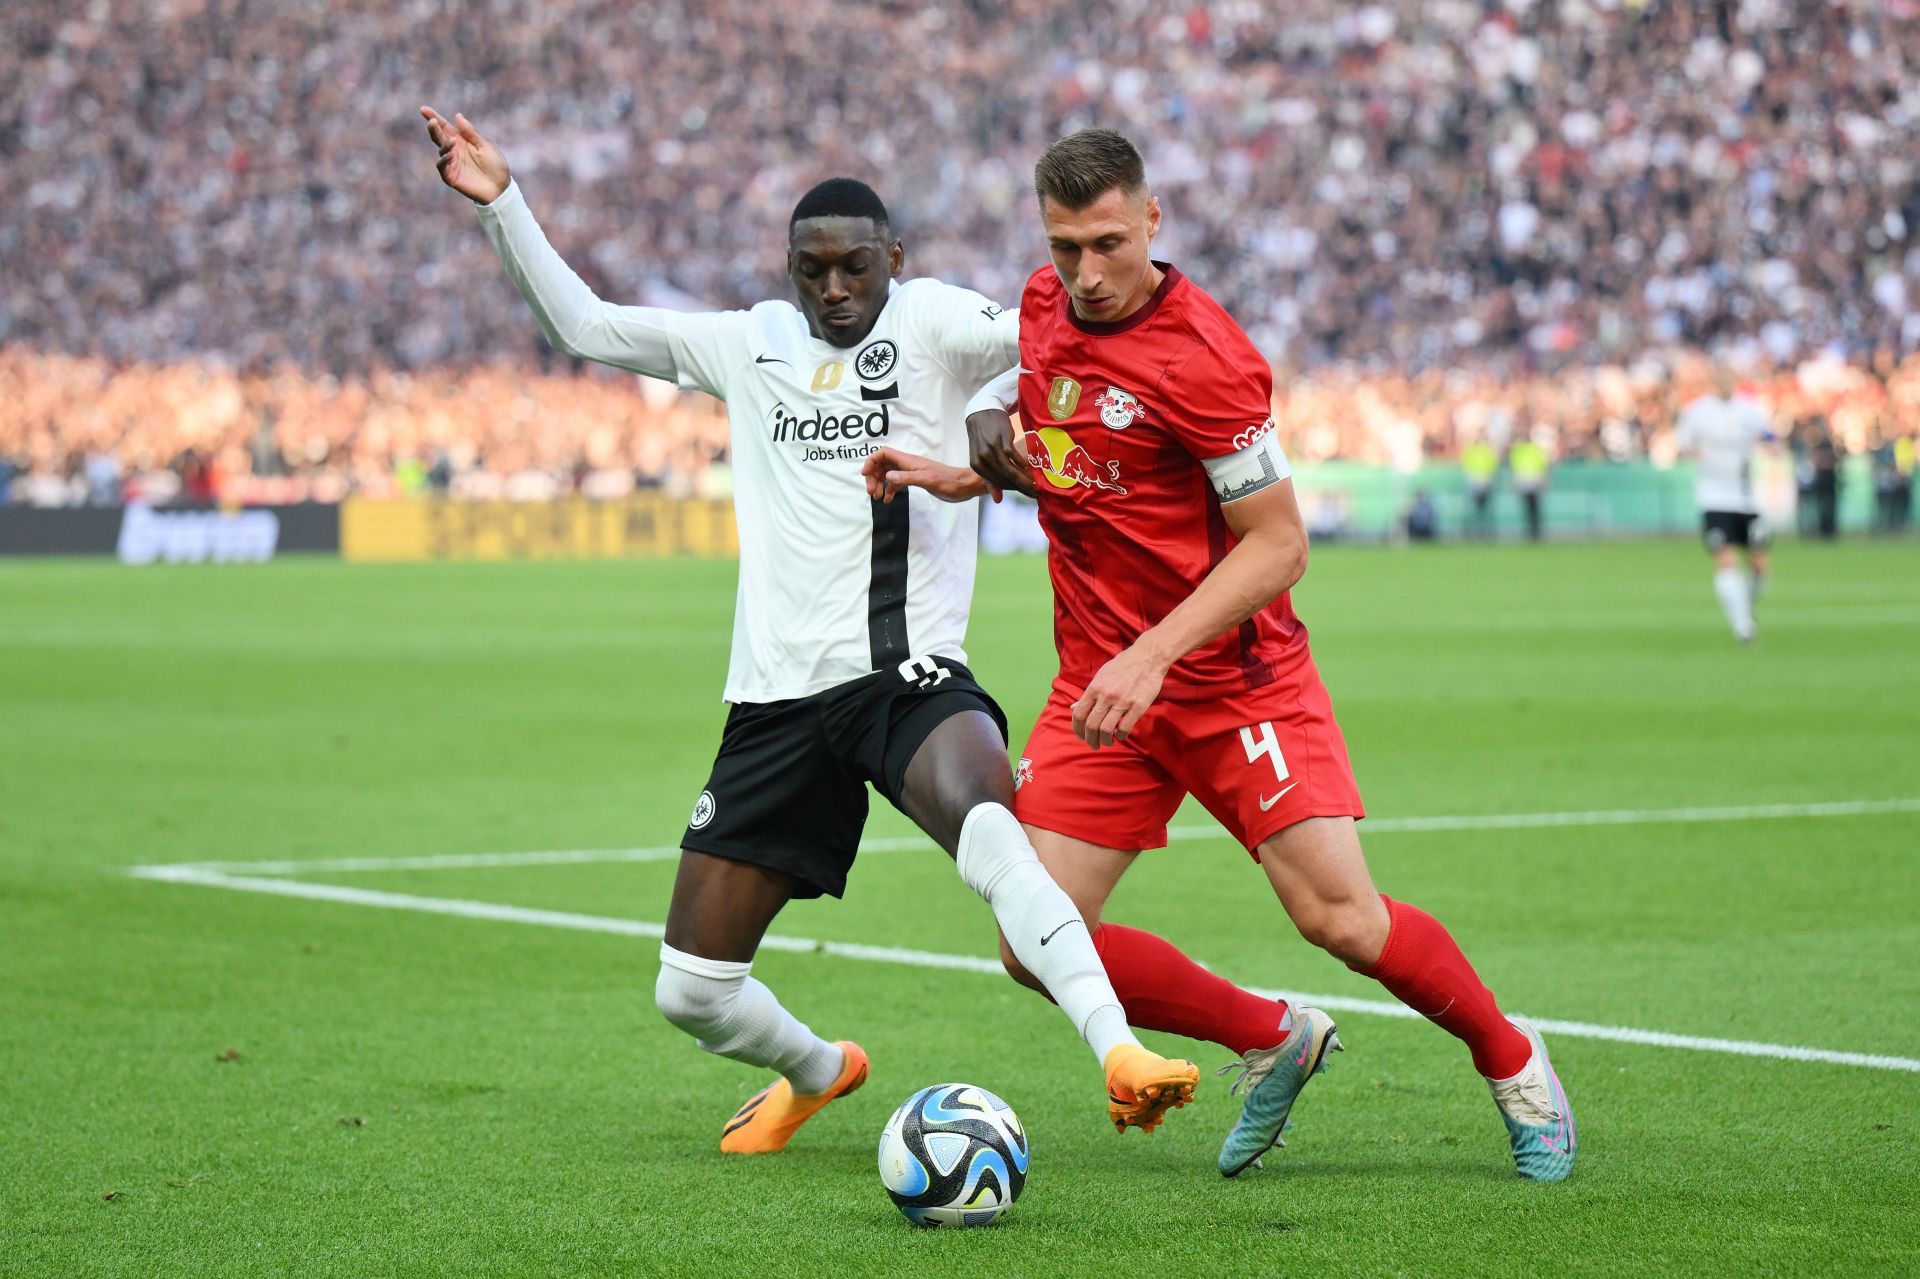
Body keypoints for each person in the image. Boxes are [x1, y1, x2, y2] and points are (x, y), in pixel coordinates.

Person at [420, 107, 1198, 1153]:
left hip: (906, 678)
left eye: (855, 268)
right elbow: (587, 327)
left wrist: (999, 401)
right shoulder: (751, 343)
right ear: (790, 268)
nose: (835, 288)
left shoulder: (929, 320)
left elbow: (1059, 339)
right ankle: (820, 1069)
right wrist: (503, 203)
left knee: (992, 831)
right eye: (813, 269)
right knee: (690, 993)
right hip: (776, 701)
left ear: (895, 260)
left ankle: (1119, 1053)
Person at [864, 128, 1575, 1183]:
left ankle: (1513, 1060)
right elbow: (1076, 450)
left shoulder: (1206, 356)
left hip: (1232, 682)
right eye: (1065, 246)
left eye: (1107, 242)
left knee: (1339, 917)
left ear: (1152, 219)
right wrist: (971, 470)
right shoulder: (1045, 305)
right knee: (1032, 937)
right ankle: (1272, 1034)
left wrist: (1152, 655)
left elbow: (1279, 544)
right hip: (1104, 683)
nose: (1086, 272)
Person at [1674, 365, 1774, 644]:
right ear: (1712, 382)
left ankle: (1744, 607)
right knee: (1726, 558)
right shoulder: (1697, 412)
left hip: (1746, 498)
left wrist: (1773, 445)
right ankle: (1743, 626)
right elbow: (1682, 444)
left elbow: (1770, 434)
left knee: (1759, 565)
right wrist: (1693, 453)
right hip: (1714, 498)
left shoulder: (1749, 411)